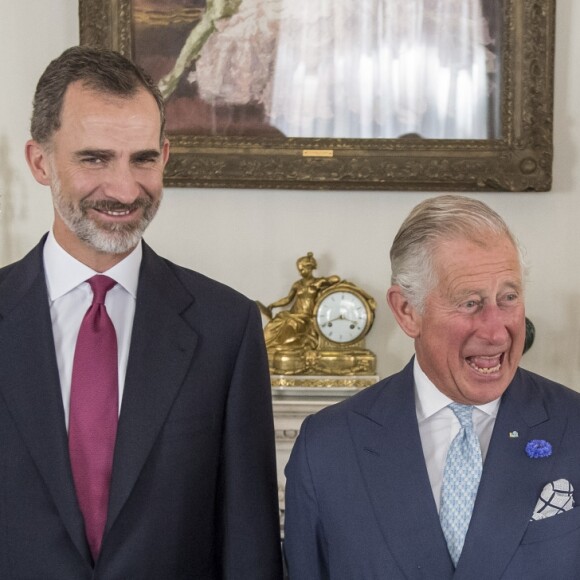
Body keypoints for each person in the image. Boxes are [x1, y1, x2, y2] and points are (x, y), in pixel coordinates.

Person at [0, 46, 282, 578]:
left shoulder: (227, 328)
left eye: (143, 159)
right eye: (94, 158)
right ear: (40, 161)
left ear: (166, 156)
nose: (124, 189)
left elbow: (249, 544)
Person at [284, 194, 580, 579]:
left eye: (508, 298)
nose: (496, 331)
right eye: (470, 303)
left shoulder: (574, 425)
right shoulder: (327, 447)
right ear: (407, 311)